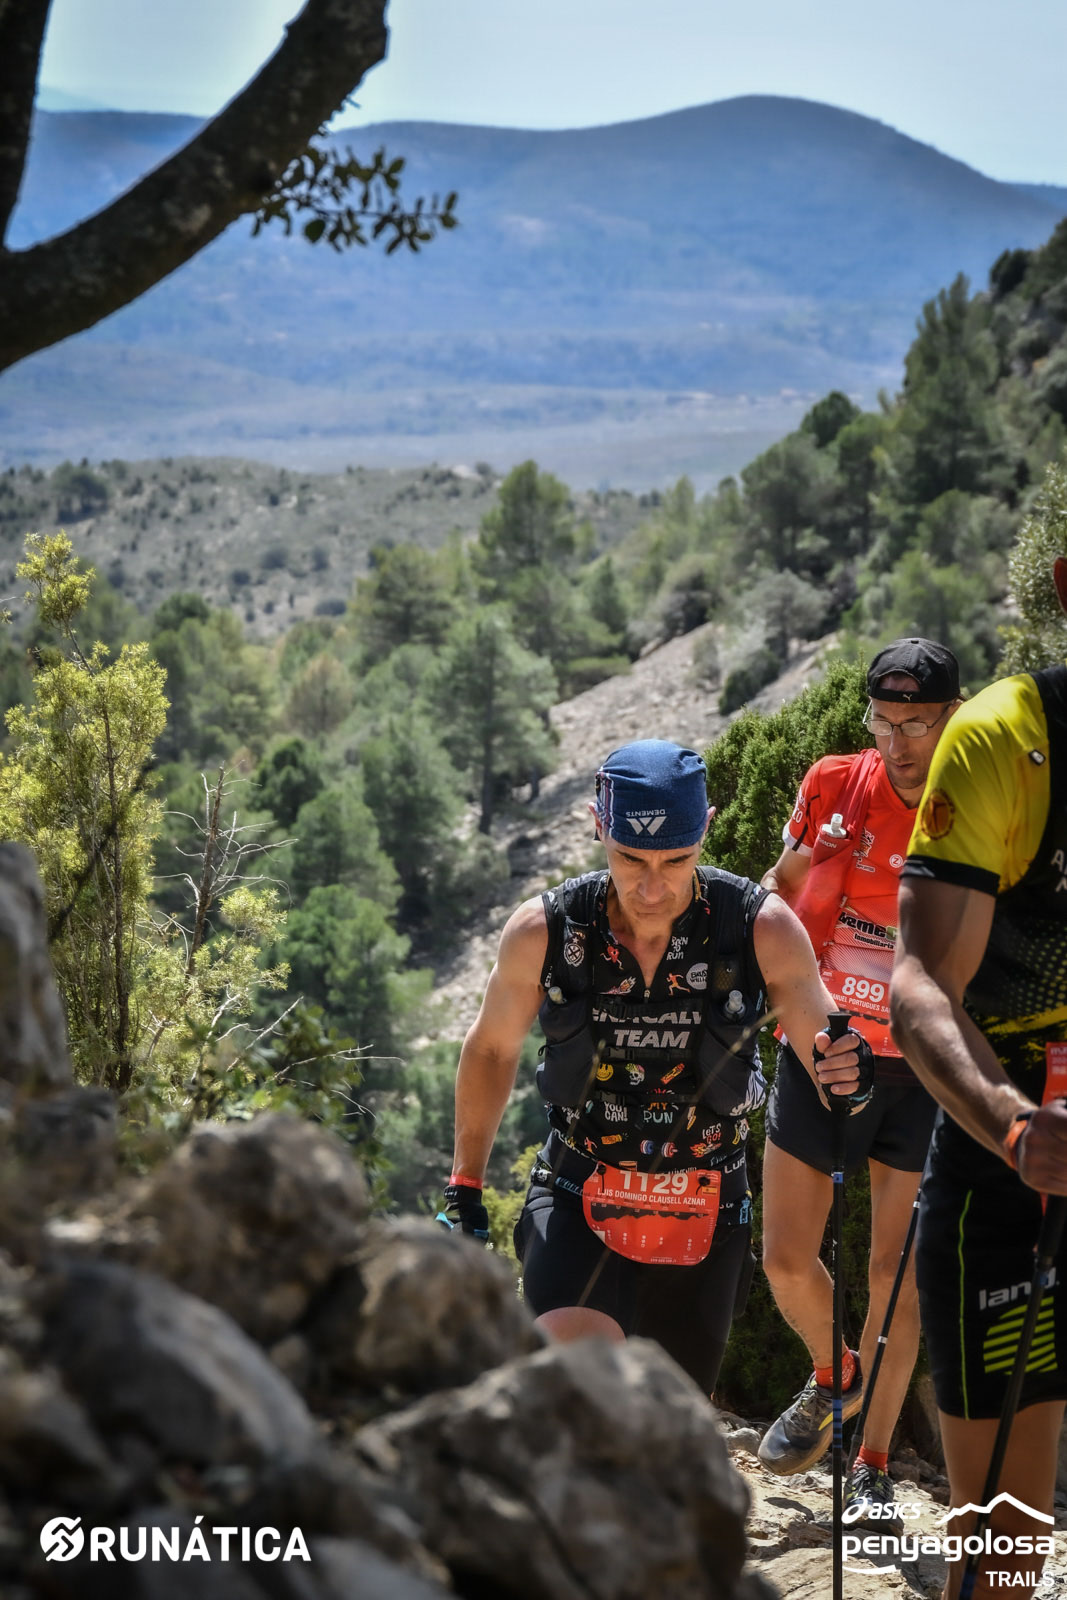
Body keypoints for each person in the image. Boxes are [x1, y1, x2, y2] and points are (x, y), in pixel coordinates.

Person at [439, 738, 873, 1399]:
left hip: (704, 1207)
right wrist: (465, 1186)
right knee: (576, 1393)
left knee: (665, 1425)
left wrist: (848, 1075)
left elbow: (826, 1057)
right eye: (629, 858)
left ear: (706, 828)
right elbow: (492, 1049)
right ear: (598, 826)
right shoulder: (545, 931)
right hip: (578, 1189)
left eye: (676, 860)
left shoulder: (761, 930)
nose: (650, 887)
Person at [891, 560, 1067, 1600]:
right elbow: (918, 984)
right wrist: (1009, 1123)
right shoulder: (1004, 738)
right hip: (1015, 1158)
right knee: (1005, 1551)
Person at [756, 639, 962, 1520]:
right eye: (883, 721)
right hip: (821, 1048)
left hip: (923, 1070)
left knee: (894, 1274)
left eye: (917, 724)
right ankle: (831, 1373)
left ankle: (870, 1464)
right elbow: (779, 886)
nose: (898, 742)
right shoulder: (834, 783)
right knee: (783, 1257)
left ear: (952, 718)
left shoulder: (978, 802)